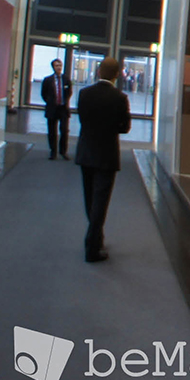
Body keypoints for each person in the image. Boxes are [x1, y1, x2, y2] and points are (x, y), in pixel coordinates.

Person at [74, 57, 132, 262]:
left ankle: (96, 238)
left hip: (86, 152)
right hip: (107, 155)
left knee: (90, 199)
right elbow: (125, 127)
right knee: (101, 201)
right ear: (117, 75)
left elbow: (82, 120)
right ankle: (92, 246)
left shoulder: (84, 94)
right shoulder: (120, 98)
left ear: (98, 71)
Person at [39, 58, 72, 160]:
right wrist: (50, 102)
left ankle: (63, 151)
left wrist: (64, 101)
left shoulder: (66, 79)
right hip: (52, 109)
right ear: (53, 67)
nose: (59, 67)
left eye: (60, 65)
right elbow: (43, 94)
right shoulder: (47, 80)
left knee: (64, 131)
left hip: (63, 109)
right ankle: (53, 152)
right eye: (57, 66)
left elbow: (69, 92)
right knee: (52, 131)